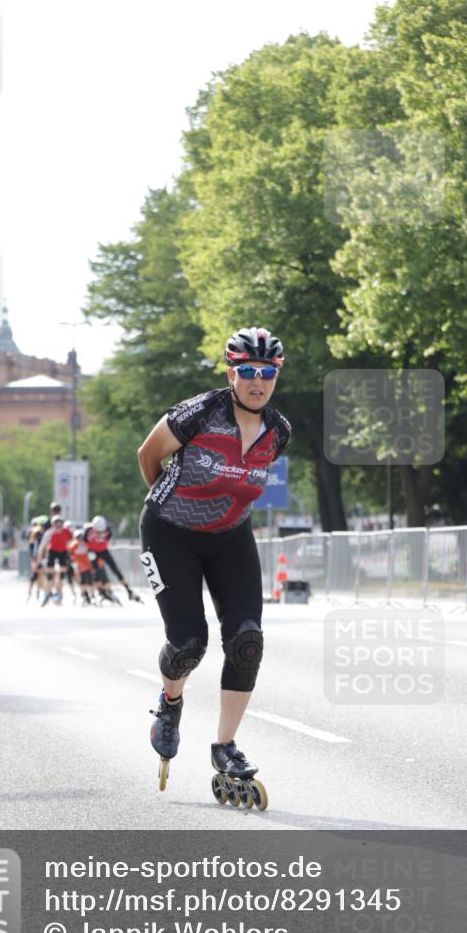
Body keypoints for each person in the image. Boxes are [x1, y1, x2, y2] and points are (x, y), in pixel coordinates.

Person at [137, 327, 291, 796]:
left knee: (247, 641)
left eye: (266, 372)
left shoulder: (278, 431)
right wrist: (170, 504)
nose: (257, 380)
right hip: (170, 533)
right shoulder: (199, 412)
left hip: (230, 536)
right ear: (231, 372)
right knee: (188, 643)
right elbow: (149, 456)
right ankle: (170, 701)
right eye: (247, 371)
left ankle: (225, 746)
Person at [82, 516, 142, 602]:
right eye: (98, 531)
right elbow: (85, 541)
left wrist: (98, 540)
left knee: (115, 570)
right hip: (92, 551)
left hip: (103, 550)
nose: (99, 533)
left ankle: (129, 590)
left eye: (101, 532)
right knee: (97, 571)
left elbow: (107, 539)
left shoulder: (108, 531)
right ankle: (101, 592)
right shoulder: (88, 531)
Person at [36, 515, 73, 606]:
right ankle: (47, 594)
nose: (58, 529)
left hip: (63, 552)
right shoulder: (49, 533)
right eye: (56, 526)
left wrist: (71, 555)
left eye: (60, 526)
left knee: (62, 573)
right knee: (49, 574)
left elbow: (72, 542)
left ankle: (59, 593)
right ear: (53, 526)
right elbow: (42, 547)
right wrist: (39, 561)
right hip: (53, 551)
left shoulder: (67, 532)